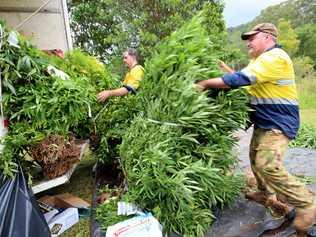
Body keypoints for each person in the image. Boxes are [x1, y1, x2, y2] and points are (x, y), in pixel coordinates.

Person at [197, 23, 316, 237]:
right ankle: (266, 194)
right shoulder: (260, 61)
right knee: (254, 160)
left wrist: (205, 83)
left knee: (267, 164)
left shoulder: (275, 57)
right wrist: (228, 72)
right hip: (265, 121)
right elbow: (249, 85)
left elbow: (243, 79)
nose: (248, 42)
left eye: (252, 37)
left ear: (268, 37)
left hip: (279, 122)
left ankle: (307, 203)